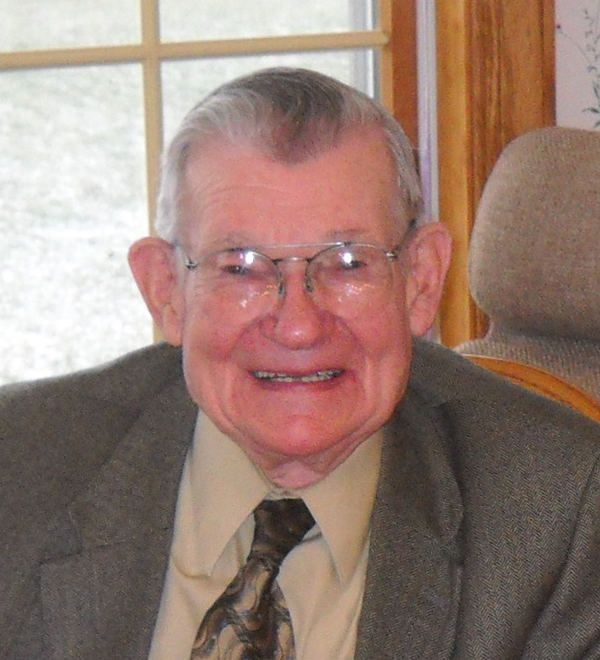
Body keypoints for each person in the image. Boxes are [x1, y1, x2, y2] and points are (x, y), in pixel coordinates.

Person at [2, 67, 600, 660]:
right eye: (240, 267)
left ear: (420, 280)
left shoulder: (557, 513)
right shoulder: (18, 470)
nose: (297, 326)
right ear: (165, 290)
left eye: (348, 263)